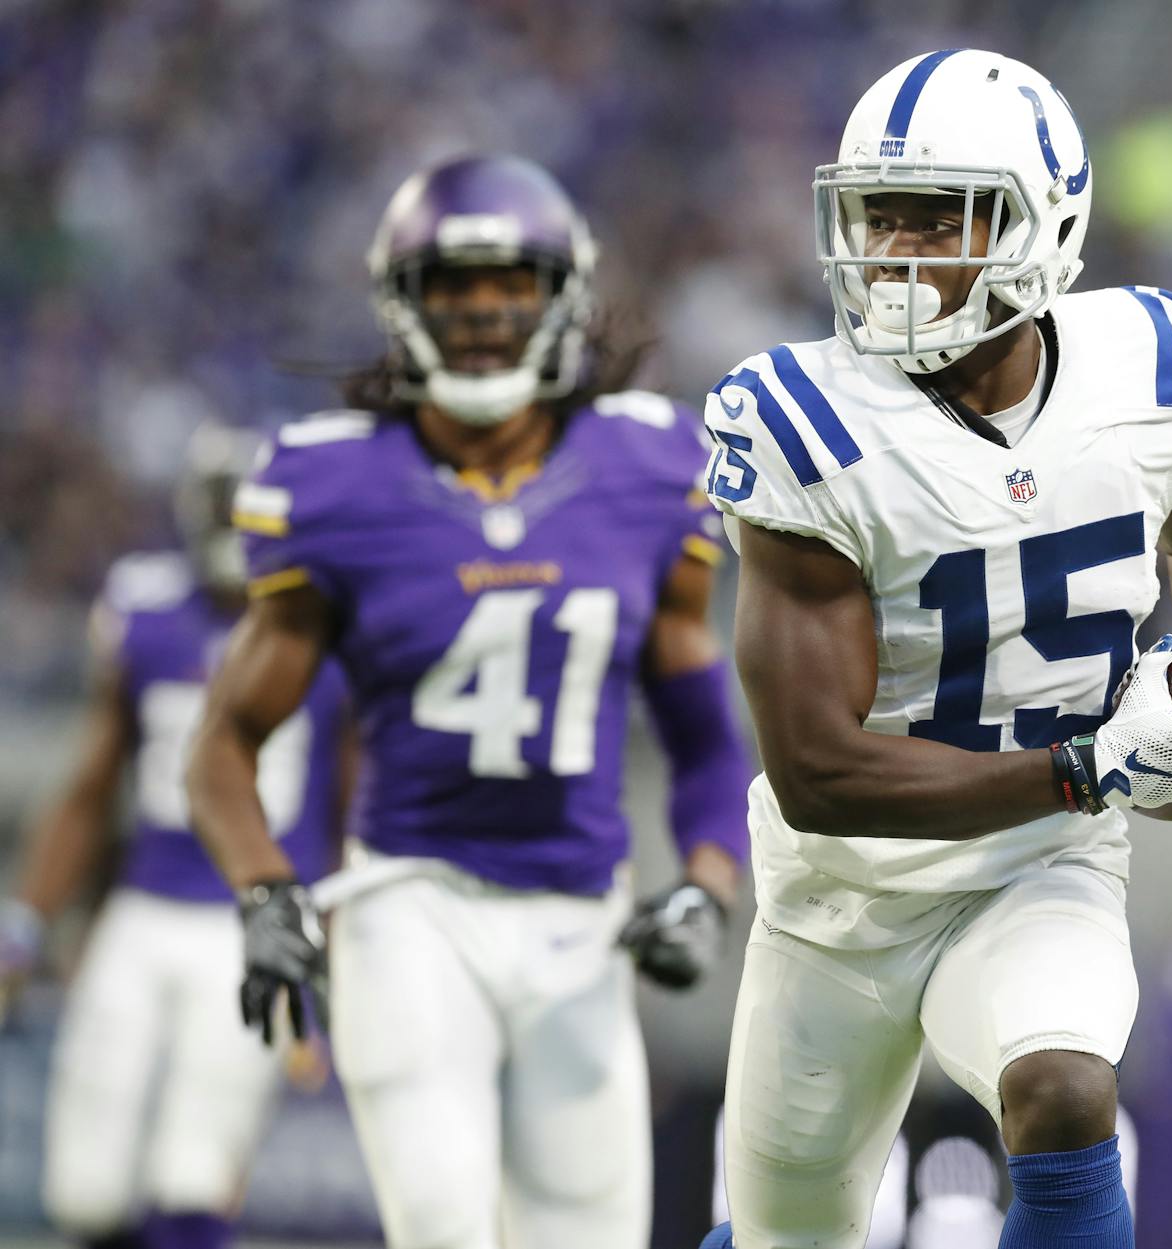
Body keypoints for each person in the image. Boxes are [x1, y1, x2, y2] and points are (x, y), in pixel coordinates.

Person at [697, 49, 1172, 1249]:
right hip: (846, 895)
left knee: (1064, 1089)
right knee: (786, 1236)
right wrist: (1094, 763)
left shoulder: (1145, 362)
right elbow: (819, 773)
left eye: (939, 221)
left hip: (1042, 864)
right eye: (877, 218)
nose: (892, 254)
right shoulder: (800, 424)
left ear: (1045, 226)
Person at [185, 154, 751, 1249]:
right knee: (442, 1226)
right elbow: (224, 741)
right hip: (407, 899)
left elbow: (703, 740)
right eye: (451, 284)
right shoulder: (329, 484)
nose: (484, 311)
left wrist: (704, 888)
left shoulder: (652, 467)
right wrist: (264, 893)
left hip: (580, 916)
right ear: (402, 303)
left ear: (564, 296)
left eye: (510, 283)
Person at [0, 424, 348, 1249]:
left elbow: (354, 806)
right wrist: (26, 924)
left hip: (256, 920)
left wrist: (337, 959)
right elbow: (93, 785)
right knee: (85, 1188)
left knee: (194, 1174)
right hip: (145, 908)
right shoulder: (145, 611)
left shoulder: (331, 623)